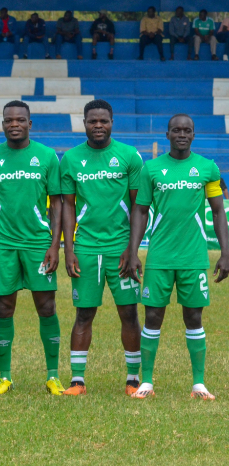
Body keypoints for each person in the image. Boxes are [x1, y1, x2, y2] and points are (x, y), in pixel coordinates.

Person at [123, 113, 229, 400]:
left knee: (194, 316)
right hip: (159, 257)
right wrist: (133, 252)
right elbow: (141, 211)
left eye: (187, 130)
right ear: (167, 134)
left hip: (194, 257)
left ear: (194, 135)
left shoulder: (207, 168)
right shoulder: (152, 169)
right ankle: (146, 381)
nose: (181, 134)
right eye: (176, 130)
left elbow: (218, 211)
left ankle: (198, 384)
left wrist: (226, 252)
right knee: (153, 316)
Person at [0, 100, 64, 396]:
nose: (14, 124)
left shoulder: (47, 156)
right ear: (2, 124)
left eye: (20, 120)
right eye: (9, 120)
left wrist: (55, 244)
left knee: (46, 306)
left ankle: (52, 376)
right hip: (4, 243)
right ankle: (5, 377)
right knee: (3, 307)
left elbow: (57, 204)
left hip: (38, 243)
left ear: (30, 123)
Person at [60, 99, 143, 396]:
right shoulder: (70, 159)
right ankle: (77, 381)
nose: (98, 126)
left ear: (112, 122)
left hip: (120, 248)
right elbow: (67, 207)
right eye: (92, 121)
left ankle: (133, 379)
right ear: (84, 123)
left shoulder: (129, 156)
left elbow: (138, 206)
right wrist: (68, 249)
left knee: (129, 312)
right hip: (85, 247)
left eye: (103, 121)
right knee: (84, 313)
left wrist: (133, 250)